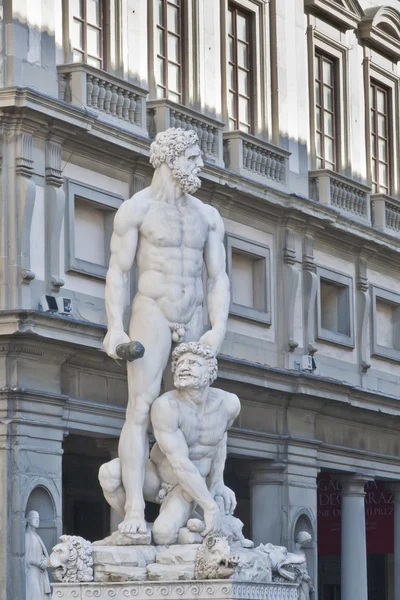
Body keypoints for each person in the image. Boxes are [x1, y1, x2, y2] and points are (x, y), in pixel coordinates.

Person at [102, 128, 230, 535]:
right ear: (170, 159)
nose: (200, 164)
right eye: (193, 157)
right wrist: (115, 329)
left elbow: (218, 278)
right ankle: (136, 511)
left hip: (193, 314)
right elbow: (118, 273)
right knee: (139, 409)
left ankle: (193, 507)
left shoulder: (208, 216)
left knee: (197, 405)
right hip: (152, 311)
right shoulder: (136, 209)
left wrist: (218, 329)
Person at [99, 342, 240, 544]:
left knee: (164, 534)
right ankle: (140, 529)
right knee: (109, 473)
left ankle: (182, 529)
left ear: (210, 371)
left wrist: (218, 482)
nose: (183, 367)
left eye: (192, 363)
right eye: (180, 363)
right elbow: (179, 462)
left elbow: (219, 438)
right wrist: (210, 506)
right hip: (156, 476)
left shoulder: (229, 404)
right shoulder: (166, 406)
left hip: (186, 486)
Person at [25, 510, 52, 600]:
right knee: (34, 595)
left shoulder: (36, 535)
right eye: (35, 518)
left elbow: (41, 554)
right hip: (32, 572)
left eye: (38, 519)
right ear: (28, 520)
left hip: (40, 572)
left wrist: (44, 561)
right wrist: (39, 563)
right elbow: (26, 558)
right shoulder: (27, 536)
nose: (37, 520)